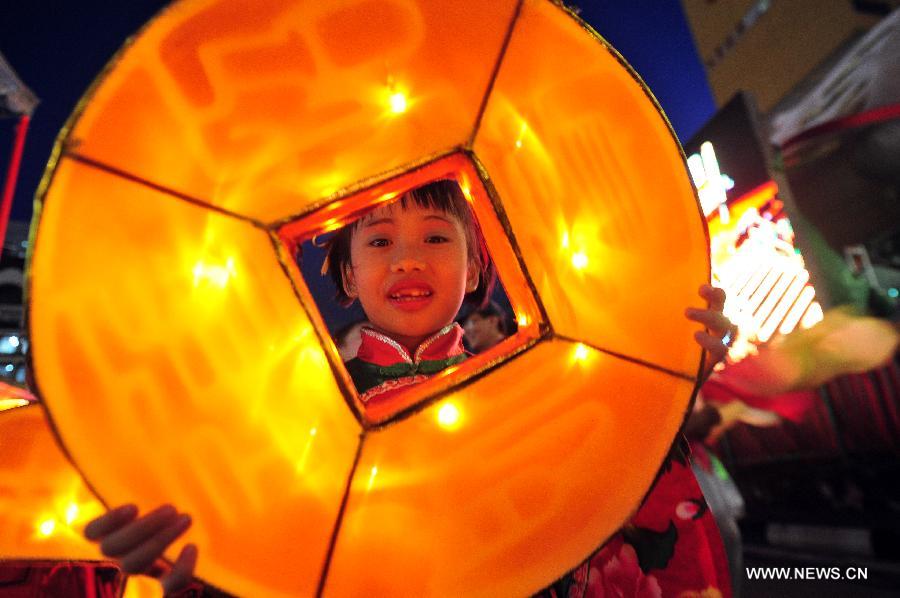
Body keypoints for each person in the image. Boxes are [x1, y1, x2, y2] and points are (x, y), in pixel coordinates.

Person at [85, 180, 735, 596]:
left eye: (435, 236)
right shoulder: (292, 414)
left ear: (479, 264)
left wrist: (663, 379)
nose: (407, 259)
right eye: (378, 240)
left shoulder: (541, 388)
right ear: (344, 274)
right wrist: (171, 548)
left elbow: (610, 496)